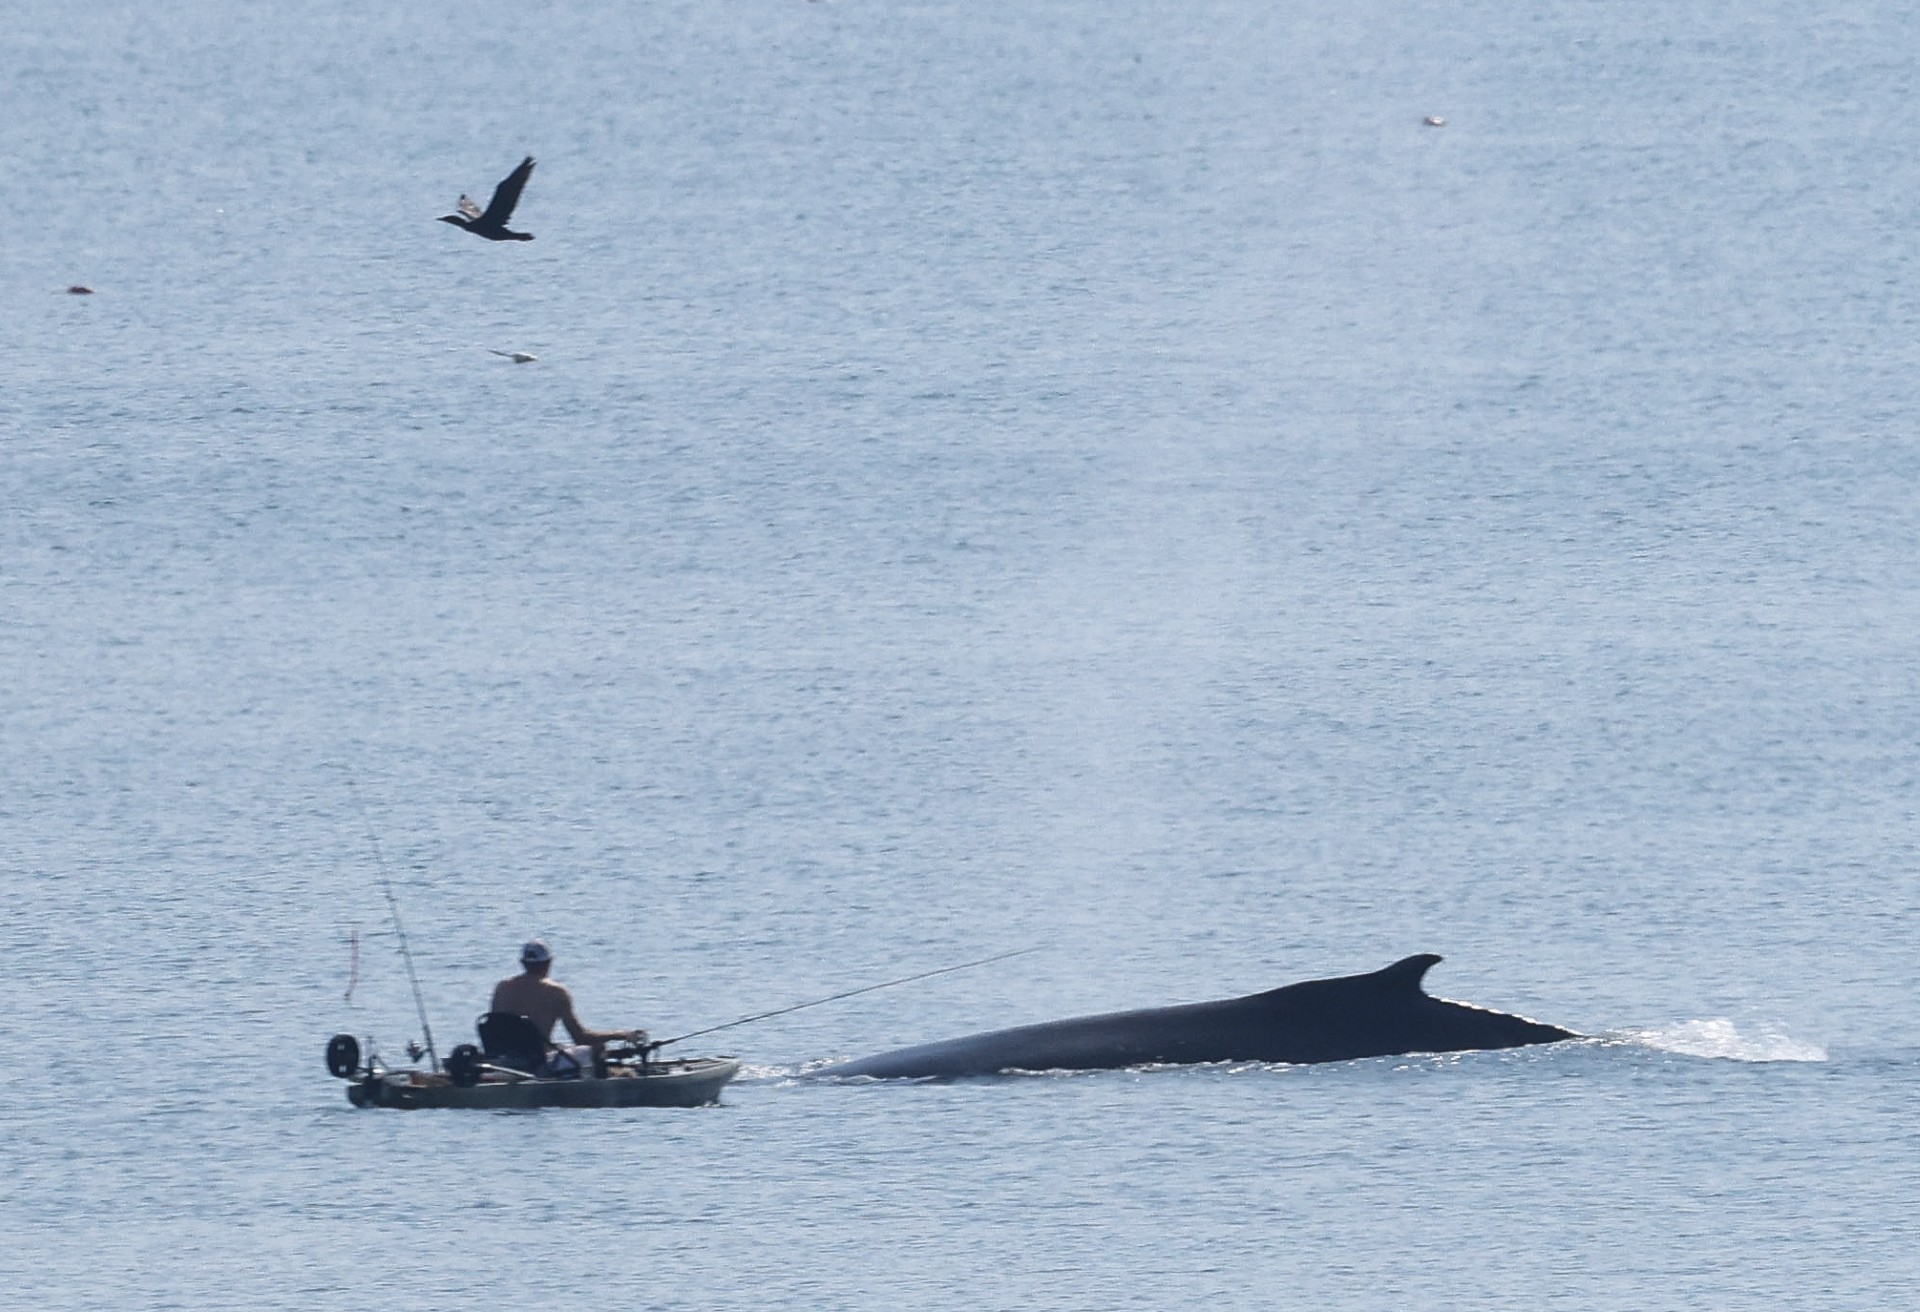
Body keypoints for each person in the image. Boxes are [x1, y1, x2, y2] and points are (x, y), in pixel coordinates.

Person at [490, 940, 643, 1077]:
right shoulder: (556, 992)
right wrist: (621, 1035)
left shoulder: (502, 988)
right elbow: (581, 1038)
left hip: (502, 1061)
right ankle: (606, 1083)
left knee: (561, 1047)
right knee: (597, 1047)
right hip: (538, 1065)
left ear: (523, 963)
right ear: (548, 963)